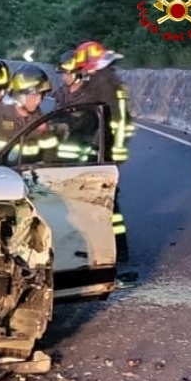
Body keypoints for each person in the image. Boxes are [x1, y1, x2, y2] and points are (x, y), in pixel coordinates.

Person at [56, 41, 133, 261]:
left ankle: (114, 252)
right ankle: (116, 250)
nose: (83, 71)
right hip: (104, 151)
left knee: (104, 204)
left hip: (104, 153)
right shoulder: (105, 80)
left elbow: (116, 121)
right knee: (107, 203)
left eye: (84, 66)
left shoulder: (104, 83)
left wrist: (114, 154)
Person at [0, 65, 62, 162]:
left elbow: (50, 160)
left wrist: (44, 132)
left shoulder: (41, 123)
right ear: (18, 95)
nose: (38, 101)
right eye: (33, 95)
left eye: (41, 95)